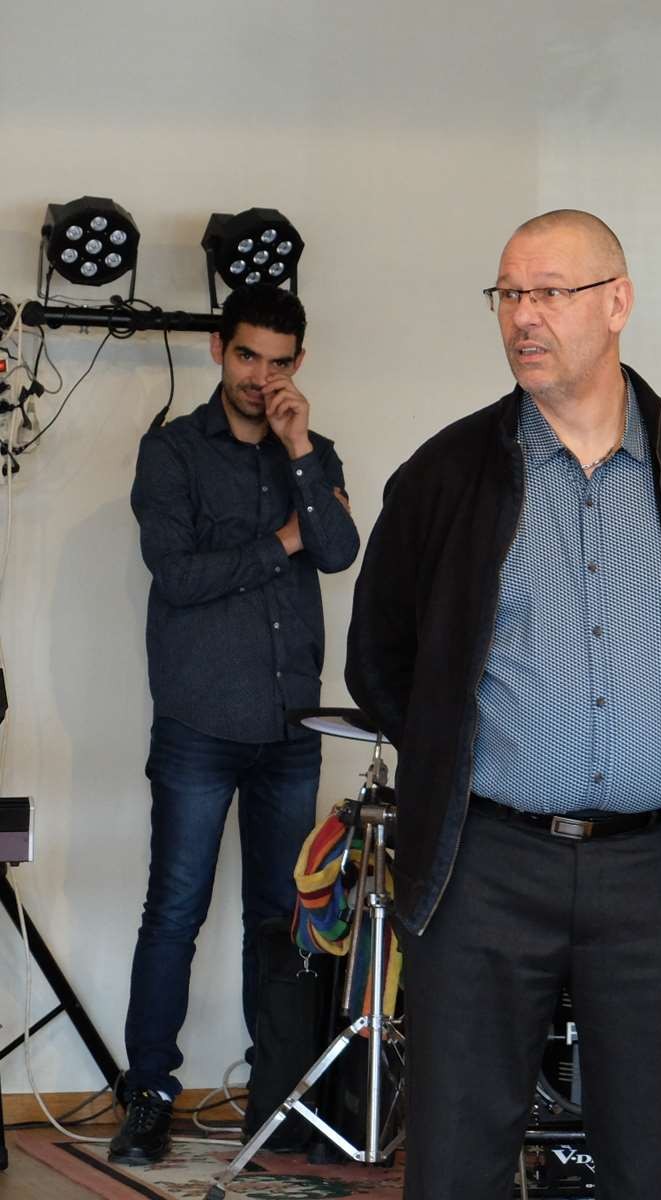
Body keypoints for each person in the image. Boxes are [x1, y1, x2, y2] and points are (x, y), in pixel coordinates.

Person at [345, 210, 661, 1199]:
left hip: (658, 871)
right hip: (485, 864)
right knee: (455, 1157)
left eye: (548, 293)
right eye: (508, 295)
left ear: (617, 303)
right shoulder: (446, 473)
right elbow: (381, 662)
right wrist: (468, 756)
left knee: (650, 1161)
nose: (522, 317)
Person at [115, 283, 360, 1164]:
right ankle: (148, 1096)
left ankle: (278, 1093)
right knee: (174, 912)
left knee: (281, 920)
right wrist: (282, 541)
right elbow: (178, 575)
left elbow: (340, 549)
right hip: (200, 722)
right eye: (248, 355)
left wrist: (298, 449)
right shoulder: (172, 453)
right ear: (220, 348)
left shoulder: (313, 451)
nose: (262, 377)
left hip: (291, 729)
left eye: (279, 361)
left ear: (299, 362)